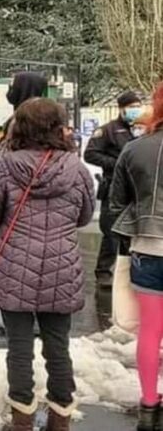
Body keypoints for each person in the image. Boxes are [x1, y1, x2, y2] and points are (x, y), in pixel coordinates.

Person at [0, 98, 95, 431]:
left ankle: (23, 420)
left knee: (19, 346)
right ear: (59, 127)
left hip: (14, 267)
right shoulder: (77, 169)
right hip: (62, 268)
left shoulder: (5, 167)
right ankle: (61, 418)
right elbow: (84, 216)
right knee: (58, 346)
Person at [110, 83, 163, 431]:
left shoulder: (134, 149)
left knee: (151, 330)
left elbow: (117, 202)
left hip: (148, 248)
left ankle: (148, 402)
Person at [84, 91, 143, 287]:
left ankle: (130, 270)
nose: (135, 110)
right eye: (131, 107)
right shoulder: (108, 130)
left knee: (135, 231)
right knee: (111, 232)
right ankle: (104, 271)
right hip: (113, 186)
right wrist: (117, 163)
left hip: (137, 187)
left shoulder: (142, 128)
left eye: (138, 106)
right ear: (122, 108)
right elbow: (90, 154)